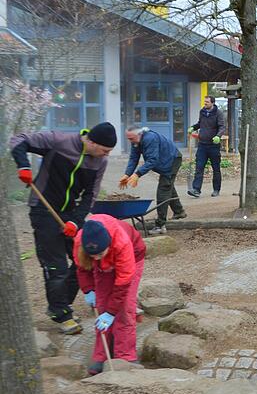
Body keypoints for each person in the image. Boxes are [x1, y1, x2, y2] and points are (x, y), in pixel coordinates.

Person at [10, 122, 116, 335]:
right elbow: (19, 140)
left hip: (69, 212)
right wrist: (23, 166)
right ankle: (61, 314)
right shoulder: (59, 141)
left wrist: (75, 221)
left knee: (84, 260)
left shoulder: (99, 162)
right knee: (56, 266)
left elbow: (90, 196)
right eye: (105, 150)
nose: (106, 155)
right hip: (43, 209)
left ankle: (60, 304)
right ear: (92, 142)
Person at [73, 215, 146, 375]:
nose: (96, 257)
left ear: (108, 245)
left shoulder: (121, 242)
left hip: (132, 257)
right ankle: (102, 355)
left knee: (124, 309)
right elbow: (82, 269)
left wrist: (111, 313)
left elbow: (123, 283)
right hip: (103, 267)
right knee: (101, 306)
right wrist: (88, 290)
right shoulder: (81, 242)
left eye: (100, 253)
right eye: (92, 255)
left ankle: (125, 356)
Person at [121, 126, 187, 235]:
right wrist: (127, 174)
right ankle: (179, 212)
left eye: (131, 138)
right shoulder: (136, 141)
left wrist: (137, 174)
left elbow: (152, 160)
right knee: (167, 186)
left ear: (139, 134)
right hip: (164, 161)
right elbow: (133, 158)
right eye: (128, 139)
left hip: (172, 160)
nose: (130, 141)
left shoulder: (150, 138)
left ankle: (160, 225)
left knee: (163, 190)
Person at [188, 95, 226, 198]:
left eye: (207, 102)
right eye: (204, 102)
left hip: (213, 146)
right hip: (202, 145)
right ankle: (196, 190)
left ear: (212, 103)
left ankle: (216, 189)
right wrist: (193, 127)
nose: (205, 104)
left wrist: (218, 136)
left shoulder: (218, 113)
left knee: (216, 169)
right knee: (199, 168)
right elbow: (200, 124)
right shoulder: (202, 112)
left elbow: (222, 127)